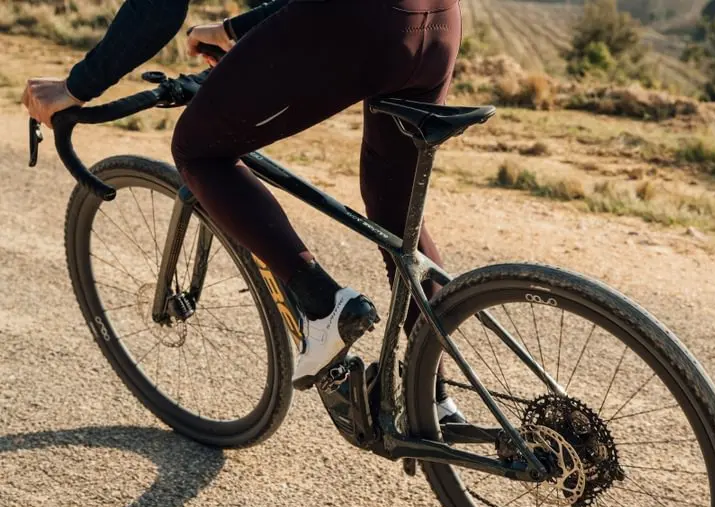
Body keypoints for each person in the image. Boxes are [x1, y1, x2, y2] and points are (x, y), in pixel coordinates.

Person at [21, 0, 464, 422]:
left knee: (199, 151)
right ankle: (433, 394)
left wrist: (74, 88)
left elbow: (157, 9)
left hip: (360, 21)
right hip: (438, 23)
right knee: (395, 208)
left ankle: (323, 305)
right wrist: (233, 31)